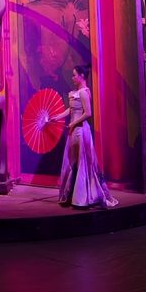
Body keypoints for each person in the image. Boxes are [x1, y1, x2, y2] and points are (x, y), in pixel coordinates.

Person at [52, 65, 118, 209]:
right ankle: (72, 194)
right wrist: (58, 117)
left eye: (74, 75)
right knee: (73, 161)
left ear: (82, 76)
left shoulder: (83, 93)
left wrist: (73, 123)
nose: (72, 77)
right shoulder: (75, 93)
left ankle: (83, 197)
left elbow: (88, 113)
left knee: (83, 161)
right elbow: (71, 109)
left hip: (81, 131)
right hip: (74, 130)